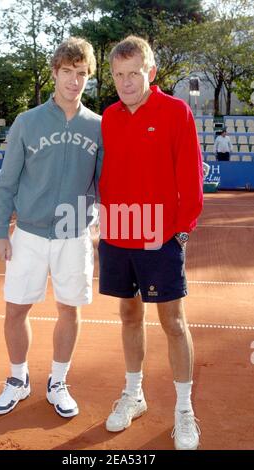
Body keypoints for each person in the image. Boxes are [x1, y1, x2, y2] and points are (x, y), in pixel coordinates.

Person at [98, 36, 203, 450]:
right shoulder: (107, 117)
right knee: (128, 315)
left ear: (151, 72)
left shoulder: (177, 112)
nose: (126, 82)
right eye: (119, 75)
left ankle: (183, 410)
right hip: (118, 236)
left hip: (161, 237)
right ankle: (134, 394)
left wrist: (180, 229)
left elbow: (191, 178)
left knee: (173, 323)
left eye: (134, 73)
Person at [0, 37, 102, 418]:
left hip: (74, 235)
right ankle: (18, 379)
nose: (74, 80)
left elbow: (104, 184)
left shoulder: (98, 126)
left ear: (89, 78)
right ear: (55, 72)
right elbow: (7, 182)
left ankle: (58, 381)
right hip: (30, 234)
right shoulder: (28, 122)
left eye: (82, 73)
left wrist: (100, 226)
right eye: (67, 72)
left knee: (69, 310)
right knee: (15, 310)